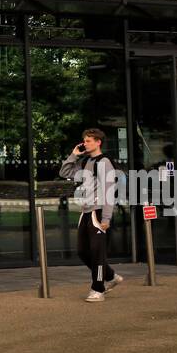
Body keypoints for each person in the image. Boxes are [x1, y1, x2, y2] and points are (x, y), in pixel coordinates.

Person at [60, 128, 122, 302]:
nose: (85, 143)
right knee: (82, 251)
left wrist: (106, 218)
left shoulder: (104, 162)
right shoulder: (86, 161)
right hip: (86, 211)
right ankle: (111, 275)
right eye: (84, 140)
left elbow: (109, 191)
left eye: (88, 141)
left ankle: (98, 289)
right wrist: (74, 155)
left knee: (97, 254)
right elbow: (64, 173)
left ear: (98, 142)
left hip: (99, 211)